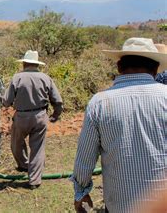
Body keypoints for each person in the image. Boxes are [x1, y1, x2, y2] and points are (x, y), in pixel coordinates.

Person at [71, 37, 167, 213]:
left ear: (119, 68)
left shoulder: (99, 103)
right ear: (155, 69)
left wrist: (81, 192)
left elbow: (84, 158)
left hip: (119, 204)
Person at [1, 50, 63, 189]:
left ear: (24, 63)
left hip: (21, 116)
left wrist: (4, 101)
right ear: (36, 64)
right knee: (38, 148)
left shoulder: (17, 78)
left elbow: (7, 101)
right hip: (40, 116)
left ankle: (24, 165)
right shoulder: (46, 78)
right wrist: (55, 115)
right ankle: (34, 180)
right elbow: (57, 101)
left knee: (16, 143)